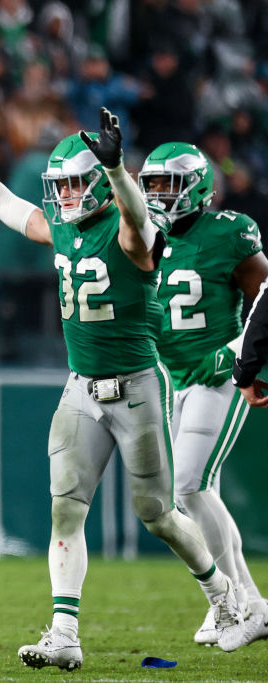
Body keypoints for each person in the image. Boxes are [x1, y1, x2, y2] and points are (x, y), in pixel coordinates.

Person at [0, 91, 246, 670]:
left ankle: (224, 600)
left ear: (99, 182)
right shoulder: (60, 230)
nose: (65, 196)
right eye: (60, 186)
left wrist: (118, 169)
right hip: (81, 387)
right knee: (66, 509)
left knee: (160, 514)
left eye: (74, 185)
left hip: (140, 386)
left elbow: (139, 218)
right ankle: (64, 632)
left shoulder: (130, 234)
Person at [139, 142, 268, 649]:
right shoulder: (147, 236)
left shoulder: (228, 231)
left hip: (218, 375)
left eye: (166, 183)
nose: (156, 194)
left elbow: (266, 298)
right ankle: (235, 605)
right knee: (192, 493)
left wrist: (240, 356)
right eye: (150, 183)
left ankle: (245, 603)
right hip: (176, 380)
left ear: (195, 184)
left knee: (189, 487)